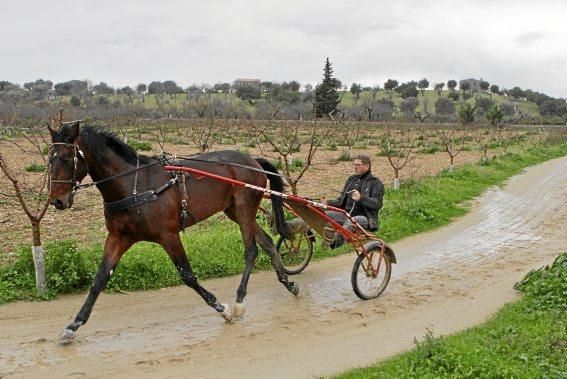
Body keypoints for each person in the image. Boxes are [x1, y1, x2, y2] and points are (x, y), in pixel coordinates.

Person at [321, 154, 384, 249]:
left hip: (364, 218)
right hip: (346, 214)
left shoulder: (375, 183)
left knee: (350, 221)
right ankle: (293, 227)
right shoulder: (351, 180)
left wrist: (361, 198)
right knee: (322, 214)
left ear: (367, 166)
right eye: (354, 165)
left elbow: (378, 203)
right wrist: (327, 203)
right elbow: (340, 201)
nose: (355, 167)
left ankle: (335, 242)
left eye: (358, 165)